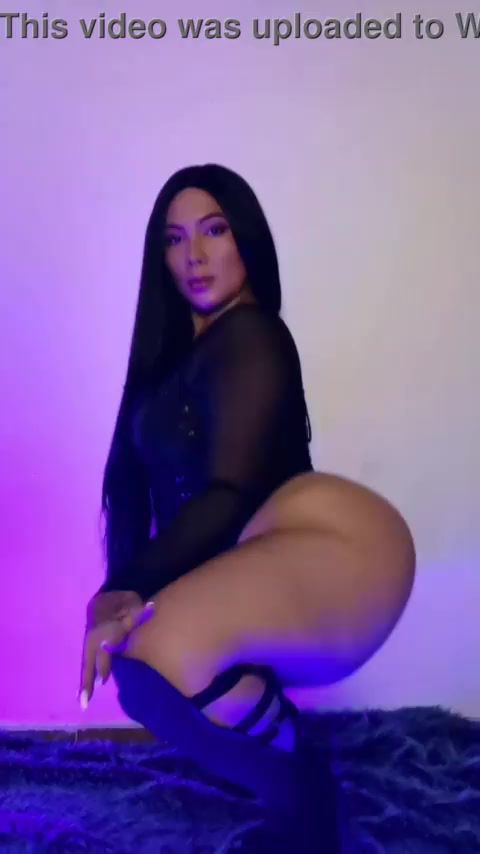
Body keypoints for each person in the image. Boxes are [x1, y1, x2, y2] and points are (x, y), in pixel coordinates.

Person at [78, 163, 415, 851]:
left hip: (336, 542)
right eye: (175, 239)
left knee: (151, 649)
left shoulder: (251, 334)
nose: (194, 255)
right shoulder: (181, 359)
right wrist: (125, 591)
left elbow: (230, 492)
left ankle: (305, 787)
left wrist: (122, 588)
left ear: (246, 240)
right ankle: (299, 793)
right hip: (269, 547)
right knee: (138, 668)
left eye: (214, 230)